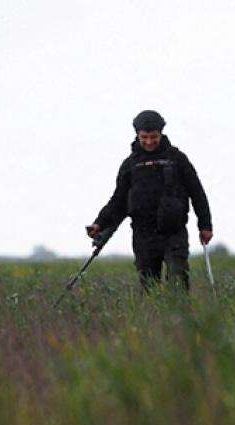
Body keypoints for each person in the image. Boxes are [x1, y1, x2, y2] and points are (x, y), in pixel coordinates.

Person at [87, 110, 213, 291]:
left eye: (154, 137)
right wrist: (100, 223)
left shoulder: (177, 159)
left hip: (174, 231)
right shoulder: (130, 165)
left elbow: (197, 192)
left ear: (161, 133)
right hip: (143, 234)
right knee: (148, 286)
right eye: (144, 137)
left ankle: (180, 316)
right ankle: (153, 318)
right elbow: (119, 200)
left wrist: (205, 225)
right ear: (137, 135)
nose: (149, 142)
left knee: (178, 279)